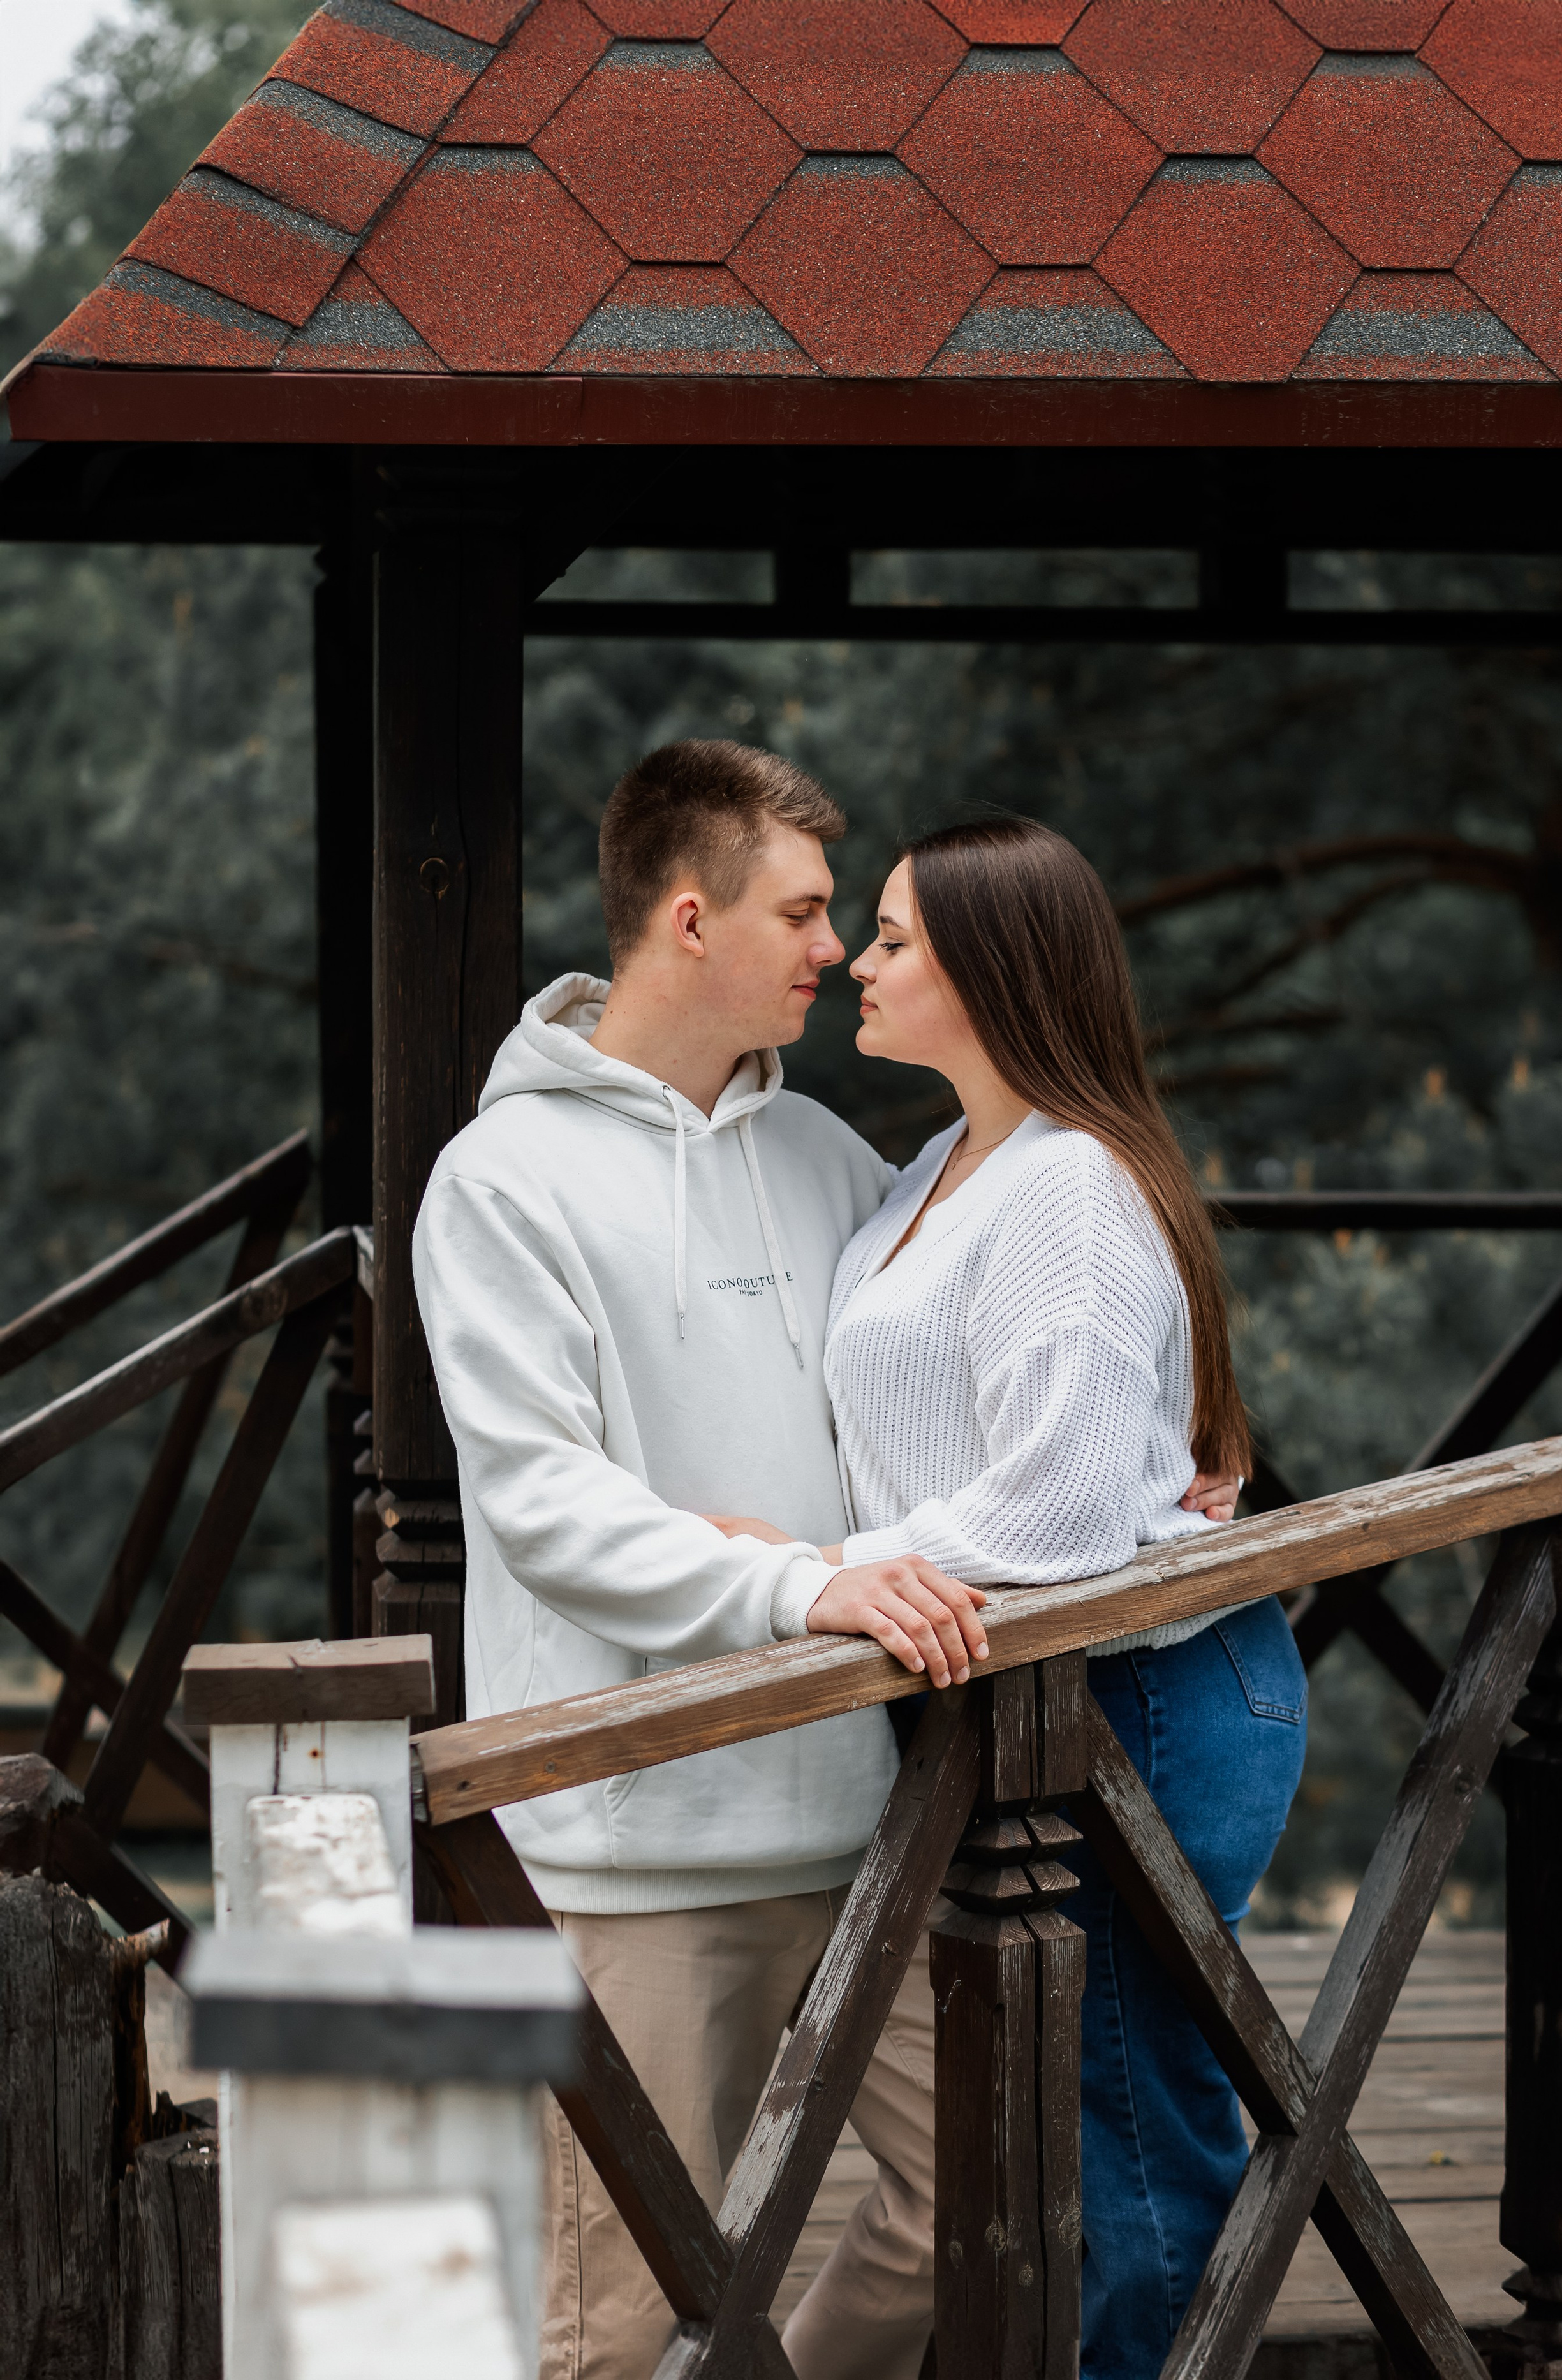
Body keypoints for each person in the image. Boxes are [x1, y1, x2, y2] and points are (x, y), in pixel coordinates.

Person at [413, 740, 992, 2380]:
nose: (838, 949)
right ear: (688, 917)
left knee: (982, 2205)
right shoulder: (501, 1181)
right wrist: (792, 1586)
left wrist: (1169, 1430)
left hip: (858, 1820)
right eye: (808, 911)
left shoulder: (825, 1161)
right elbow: (544, 1507)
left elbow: (954, 1368)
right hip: (630, 1847)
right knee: (612, 2332)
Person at [709, 816, 1303, 2380]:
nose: (857, 958)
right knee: (1065, 2119)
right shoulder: (934, 1168)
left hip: (1146, 1696)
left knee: (1127, 2125)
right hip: (1026, 1689)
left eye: (894, 935)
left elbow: (1051, 1507)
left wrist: (814, 1577)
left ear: (987, 969)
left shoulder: (1066, 1190)